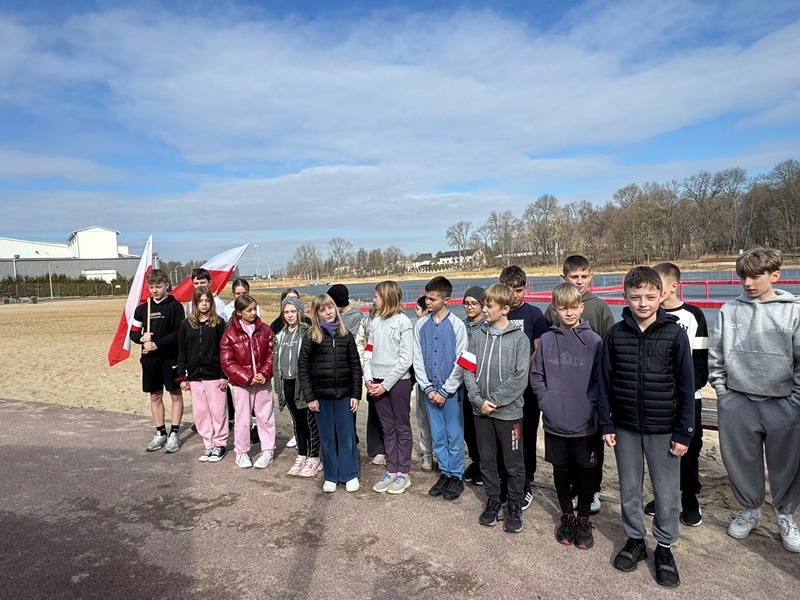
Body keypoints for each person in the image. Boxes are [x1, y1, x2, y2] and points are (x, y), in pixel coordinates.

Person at [597, 267, 694, 587]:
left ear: (662, 295)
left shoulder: (675, 334)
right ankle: (635, 540)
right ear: (624, 296)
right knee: (629, 488)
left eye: (650, 297)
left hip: (663, 428)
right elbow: (604, 383)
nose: (643, 303)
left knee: (666, 493)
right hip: (624, 426)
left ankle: (664, 547)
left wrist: (684, 432)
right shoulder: (615, 334)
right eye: (635, 297)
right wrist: (606, 422)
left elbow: (686, 386)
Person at [708, 247, 800, 553]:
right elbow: (716, 354)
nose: (747, 282)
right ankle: (749, 509)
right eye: (743, 277)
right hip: (738, 402)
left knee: (787, 464)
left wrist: (795, 400)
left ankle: (784, 514)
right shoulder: (729, 310)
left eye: (755, 276)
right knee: (741, 461)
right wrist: (723, 392)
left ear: (775, 276)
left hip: (783, 403)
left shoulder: (793, 311)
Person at [531, 283, 602, 548]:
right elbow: (537, 376)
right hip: (554, 420)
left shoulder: (594, 341)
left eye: (574, 307)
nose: (569, 313)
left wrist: (588, 406)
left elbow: (599, 381)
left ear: (581, 308)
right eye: (563, 308)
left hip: (584, 423)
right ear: (554, 309)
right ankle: (567, 515)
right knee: (560, 470)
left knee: (585, 471)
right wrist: (546, 401)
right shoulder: (547, 340)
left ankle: (583, 517)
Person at [545, 255, 614, 514]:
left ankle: (593, 489)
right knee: (566, 451)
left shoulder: (599, 308)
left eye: (584, 277)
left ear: (591, 277)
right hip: (562, 395)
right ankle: (572, 491)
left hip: (588, 396)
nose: (579, 281)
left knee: (591, 447)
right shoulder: (552, 309)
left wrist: (597, 397)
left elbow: (607, 353)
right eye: (574, 277)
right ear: (563, 278)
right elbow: (546, 348)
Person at [642, 262, 709, 526]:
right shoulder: (649, 315)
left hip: (688, 399)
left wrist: (683, 389)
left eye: (657, 285)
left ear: (672, 287)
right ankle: (662, 497)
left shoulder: (694, 315)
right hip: (658, 401)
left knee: (689, 452)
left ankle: (690, 499)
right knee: (661, 453)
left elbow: (700, 363)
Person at [463, 284, 529, 533]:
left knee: (513, 463)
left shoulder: (520, 339)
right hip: (480, 411)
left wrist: (494, 400)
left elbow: (520, 377)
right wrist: (478, 399)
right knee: (487, 459)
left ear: (505, 309)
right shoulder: (477, 336)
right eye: (485, 305)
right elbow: (467, 369)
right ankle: (493, 499)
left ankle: (514, 504)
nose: (485, 310)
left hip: (508, 413)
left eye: (490, 306)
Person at [298, 293, 363, 493]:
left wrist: (356, 394)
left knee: (346, 436)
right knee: (327, 437)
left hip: (344, 395)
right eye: (322, 310)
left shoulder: (346, 335)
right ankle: (331, 475)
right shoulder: (311, 336)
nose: (328, 312)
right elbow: (303, 368)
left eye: (330, 308)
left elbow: (355, 366)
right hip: (321, 397)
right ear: (316, 314)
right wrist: (310, 397)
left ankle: (349, 474)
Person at [413, 276, 468, 501]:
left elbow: (461, 361)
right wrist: (427, 388)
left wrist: (446, 390)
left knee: (454, 434)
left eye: (432, 299)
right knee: (437, 434)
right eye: (427, 298)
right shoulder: (420, 325)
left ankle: (457, 475)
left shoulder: (457, 326)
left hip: (451, 392)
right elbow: (417, 358)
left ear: (446, 300)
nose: (428, 302)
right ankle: (444, 471)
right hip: (429, 391)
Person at [499, 265, 548, 509]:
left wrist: (520, 372)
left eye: (519, 290)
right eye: (510, 290)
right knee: (504, 437)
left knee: (526, 438)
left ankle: (526, 482)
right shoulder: (498, 313)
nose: (515, 295)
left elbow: (538, 349)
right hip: (501, 388)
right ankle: (505, 479)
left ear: (525, 289)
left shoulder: (534, 315)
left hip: (526, 389)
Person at [364, 281, 415, 495]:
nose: (373, 300)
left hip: (398, 382)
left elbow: (406, 359)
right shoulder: (375, 322)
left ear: (386, 298)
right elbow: (368, 351)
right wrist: (368, 377)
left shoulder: (404, 322)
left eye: (376, 296)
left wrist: (385, 385)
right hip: (376, 381)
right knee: (387, 428)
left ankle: (403, 472)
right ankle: (391, 469)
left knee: (401, 426)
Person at [130, 268, 186, 453]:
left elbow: (179, 333)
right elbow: (133, 333)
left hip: (170, 357)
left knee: (175, 395)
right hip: (150, 359)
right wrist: (141, 338)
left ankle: (174, 433)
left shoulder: (175, 306)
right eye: (151, 287)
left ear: (166, 285)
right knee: (155, 396)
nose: (154, 290)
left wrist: (158, 344)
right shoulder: (142, 309)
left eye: (158, 286)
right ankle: (160, 433)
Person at [329, 283, 384, 464]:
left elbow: (352, 342)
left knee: (351, 410)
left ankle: (354, 443)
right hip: (337, 371)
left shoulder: (354, 318)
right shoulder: (340, 317)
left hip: (350, 370)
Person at [220, 294, 276, 470]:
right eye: (249, 310)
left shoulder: (265, 329)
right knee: (242, 418)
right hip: (242, 384)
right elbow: (227, 362)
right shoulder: (229, 334)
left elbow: (272, 353)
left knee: (266, 416)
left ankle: (268, 449)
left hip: (263, 381)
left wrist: (264, 373)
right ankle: (242, 452)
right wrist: (247, 377)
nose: (253, 313)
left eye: (254, 309)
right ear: (239, 312)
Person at [176, 286, 229, 462]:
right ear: (195, 303)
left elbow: (224, 351)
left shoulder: (219, 323)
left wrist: (224, 374)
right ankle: (209, 444)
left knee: (218, 412)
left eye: (207, 301)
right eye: (201, 301)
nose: (204, 304)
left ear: (211, 302)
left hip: (214, 376)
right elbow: (182, 352)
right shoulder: (186, 325)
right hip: (194, 377)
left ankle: (220, 444)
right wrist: (182, 376)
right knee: (201, 413)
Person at [273, 296, 322, 477]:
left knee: (310, 420)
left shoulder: (308, 332)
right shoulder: (280, 335)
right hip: (288, 382)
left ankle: (314, 457)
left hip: (304, 384)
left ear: (300, 312)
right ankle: (302, 454)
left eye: (293, 311)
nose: (290, 315)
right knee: (297, 421)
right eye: (286, 312)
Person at [461, 286, 486, 486]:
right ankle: (475, 461)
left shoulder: (487, 326)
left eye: (474, 303)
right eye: (466, 303)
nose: (470, 307)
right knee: (468, 428)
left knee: (481, 429)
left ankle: (485, 465)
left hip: (481, 382)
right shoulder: (461, 325)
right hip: (464, 381)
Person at [413, 296, 435, 471]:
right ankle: (427, 453)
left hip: (441, 384)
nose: (415, 312)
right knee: (423, 418)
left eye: (417, 309)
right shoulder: (418, 327)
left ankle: (442, 455)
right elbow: (416, 357)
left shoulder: (449, 326)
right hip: (422, 382)